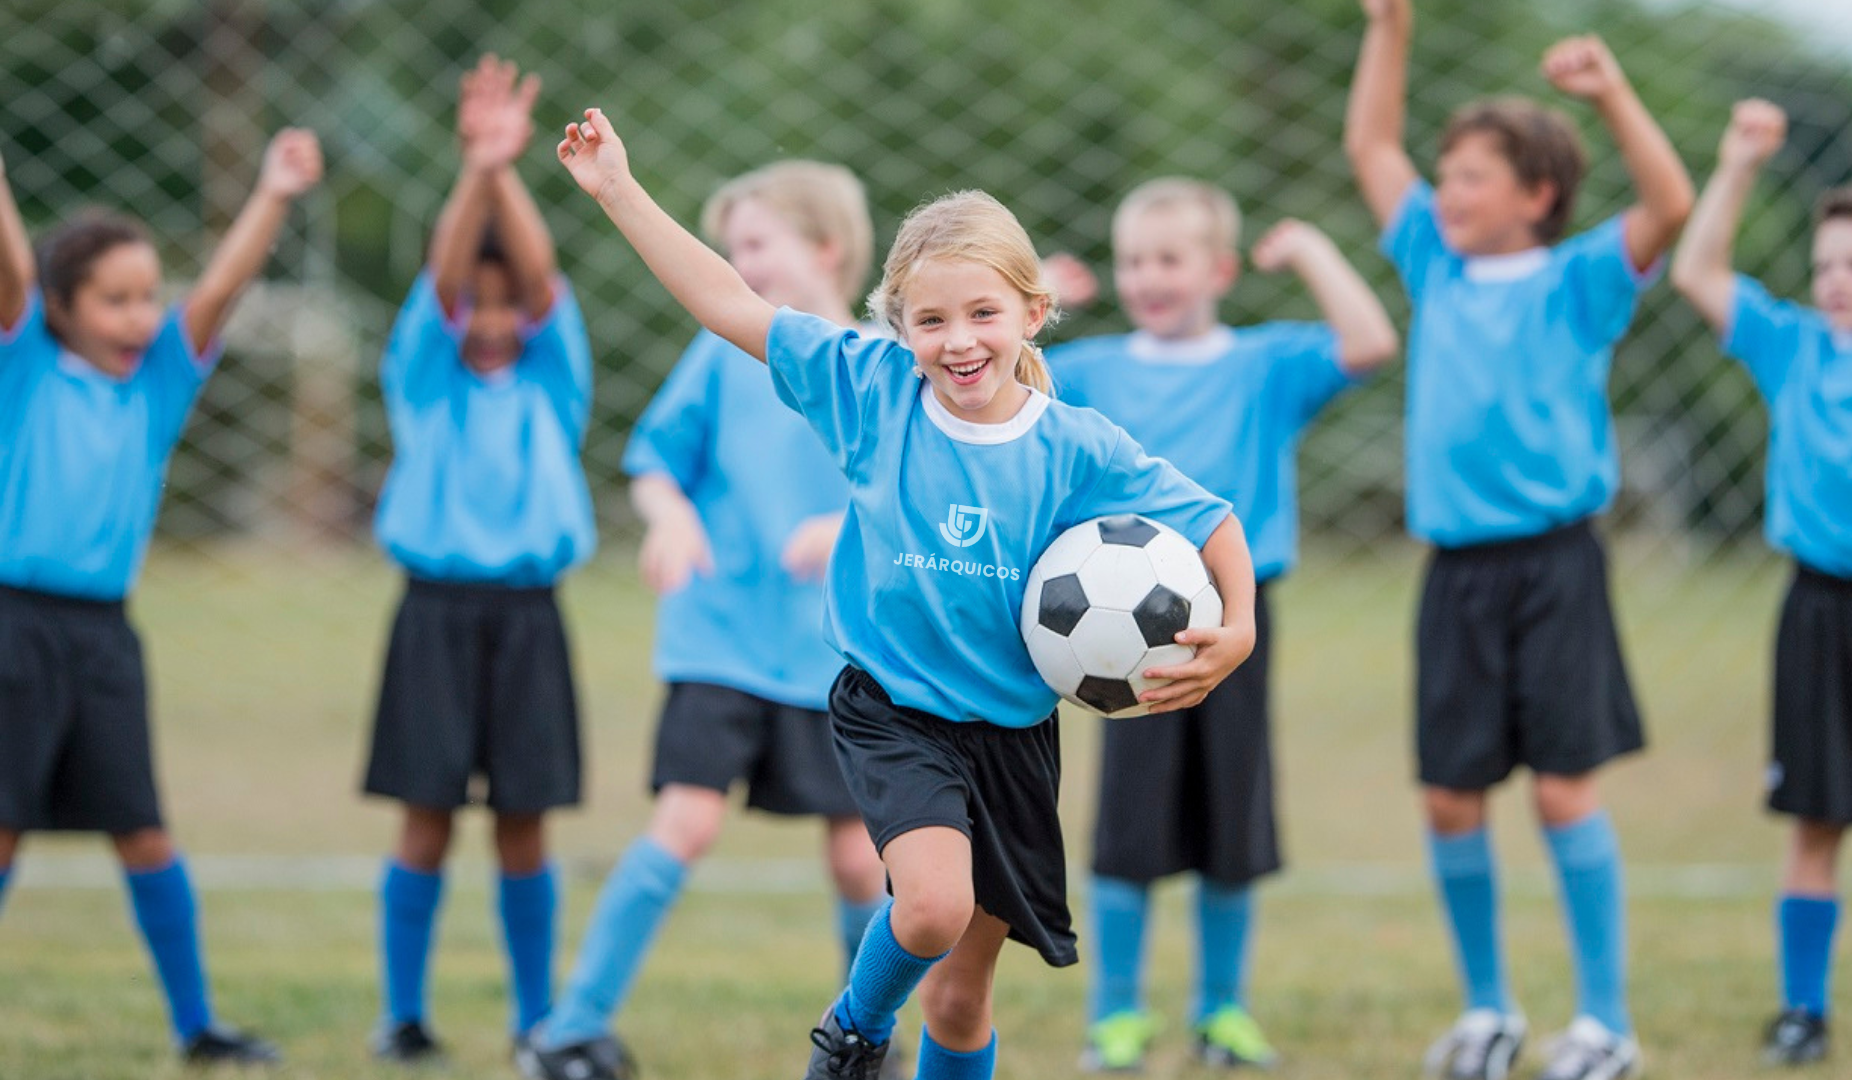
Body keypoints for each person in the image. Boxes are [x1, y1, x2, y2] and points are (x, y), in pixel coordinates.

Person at [556, 107, 1257, 1080]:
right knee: (927, 909)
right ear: (898, 326)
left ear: (1032, 314)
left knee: (963, 1002)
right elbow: (724, 300)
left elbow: (1214, 518)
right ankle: (850, 1035)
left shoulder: (1074, 446)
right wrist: (620, 191)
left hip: (1011, 737)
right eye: (930, 320)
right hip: (893, 712)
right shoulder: (868, 389)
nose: (958, 341)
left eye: (982, 315)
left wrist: (1241, 626)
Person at [1344, 2, 1695, 1077]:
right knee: (1452, 793)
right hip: (1456, 572)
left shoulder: (1580, 279)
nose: (1444, 193)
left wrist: (1609, 93)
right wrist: (1389, 31)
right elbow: (1369, 143)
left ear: (1536, 196)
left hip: (1555, 566)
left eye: (1470, 178)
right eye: (1442, 176)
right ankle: (1489, 1010)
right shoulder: (1432, 265)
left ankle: (1603, 1024)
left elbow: (1671, 201)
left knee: (1560, 790)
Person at [515, 159, 889, 1080]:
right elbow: (655, 462)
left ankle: (865, 1041)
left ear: (828, 248)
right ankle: (569, 1029)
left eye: (756, 243)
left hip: (833, 657)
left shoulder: (878, 368)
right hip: (719, 638)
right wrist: (672, 517)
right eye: (731, 248)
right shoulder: (721, 352)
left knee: (857, 861)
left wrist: (843, 524)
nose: (737, 262)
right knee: (685, 824)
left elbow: (909, 494)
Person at [1043, 177, 1396, 1072]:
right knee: (1128, 823)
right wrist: (1033, 299)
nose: (1149, 277)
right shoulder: (1090, 368)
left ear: (1219, 270)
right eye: (1133, 261)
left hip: (1238, 618)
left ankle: (1222, 1011)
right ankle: (1116, 1016)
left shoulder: (1264, 364)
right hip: (1114, 635)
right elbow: (987, 368)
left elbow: (1370, 341)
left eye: (1169, 259)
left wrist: (1312, 249)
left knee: (1231, 819)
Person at [0, 124, 322, 1066]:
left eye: (148, 297)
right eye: (116, 300)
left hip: (104, 638)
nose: (141, 316)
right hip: (12, 629)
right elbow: (12, 261)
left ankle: (197, 1028)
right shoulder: (22, 367)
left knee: (142, 832)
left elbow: (218, 290)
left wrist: (272, 190)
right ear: (59, 306)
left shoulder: (158, 389)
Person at [1671, 99, 1852, 1068]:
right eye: (1823, 266)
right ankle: (1802, 1011)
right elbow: (1696, 271)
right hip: (1816, 609)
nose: (1834, 282)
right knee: (1815, 817)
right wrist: (1736, 163)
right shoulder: (1794, 347)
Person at [361, 55, 593, 1064]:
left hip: (531, 616)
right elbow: (444, 277)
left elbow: (538, 281)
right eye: (475, 309)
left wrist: (510, 175)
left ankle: (534, 1016)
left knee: (524, 824)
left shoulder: (553, 384)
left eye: (510, 310)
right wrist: (476, 172)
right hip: (434, 614)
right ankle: (404, 1014)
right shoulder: (426, 382)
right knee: (425, 820)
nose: (493, 323)